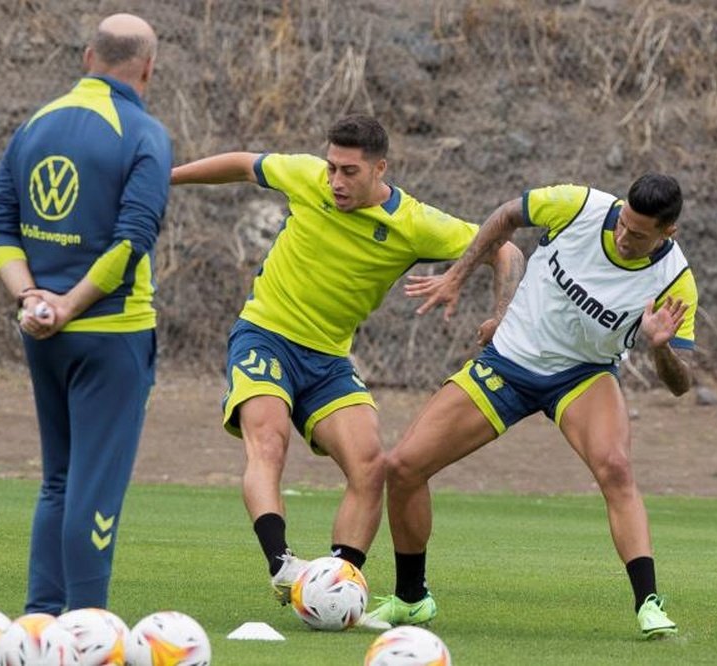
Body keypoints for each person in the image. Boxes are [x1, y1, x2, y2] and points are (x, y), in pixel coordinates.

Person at [170, 115, 523, 611]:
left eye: (350, 171)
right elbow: (242, 164)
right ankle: (282, 566)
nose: (336, 181)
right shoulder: (306, 176)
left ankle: (334, 582)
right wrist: (168, 177)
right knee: (269, 441)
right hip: (265, 336)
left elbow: (505, 249)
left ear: (381, 168)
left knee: (370, 465)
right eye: (332, 167)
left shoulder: (414, 224)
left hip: (329, 359)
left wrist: (495, 310)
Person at [367, 174, 696, 639]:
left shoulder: (674, 279)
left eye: (639, 235)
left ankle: (649, 604)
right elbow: (505, 216)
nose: (623, 237)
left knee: (616, 468)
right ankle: (411, 599)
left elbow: (681, 384)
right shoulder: (578, 206)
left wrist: (660, 347)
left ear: (669, 233)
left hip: (582, 375)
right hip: (509, 361)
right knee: (402, 468)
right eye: (623, 223)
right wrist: (462, 280)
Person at [0, 13, 171, 614]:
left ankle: (41, 621)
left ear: (89, 57)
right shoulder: (144, 133)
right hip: (110, 335)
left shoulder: (35, 124)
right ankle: (86, 628)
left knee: (58, 480)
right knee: (96, 485)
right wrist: (70, 303)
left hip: (42, 334)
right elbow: (132, 238)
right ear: (148, 68)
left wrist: (31, 297)